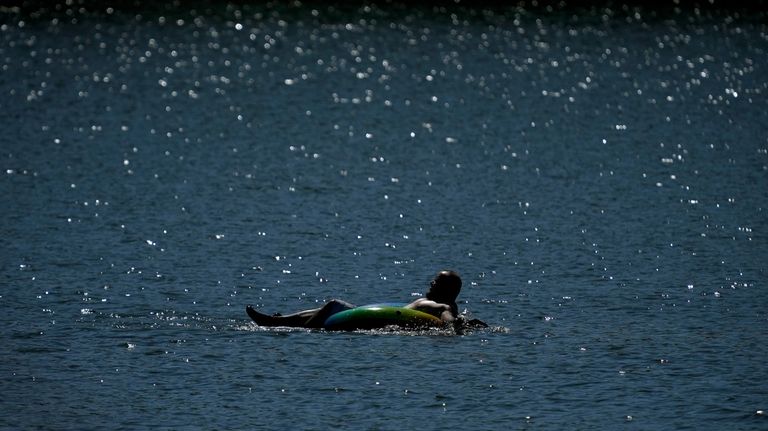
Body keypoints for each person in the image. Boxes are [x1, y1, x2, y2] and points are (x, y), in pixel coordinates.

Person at [245, 270, 487, 331]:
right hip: (381, 316)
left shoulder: (440, 304)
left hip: (378, 320)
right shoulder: (436, 302)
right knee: (326, 308)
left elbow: (445, 312)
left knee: (332, 305)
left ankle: (296, 328)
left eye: (436, 282)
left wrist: (451, 323)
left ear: (445, 289)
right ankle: (279, 322)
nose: (430, 284)